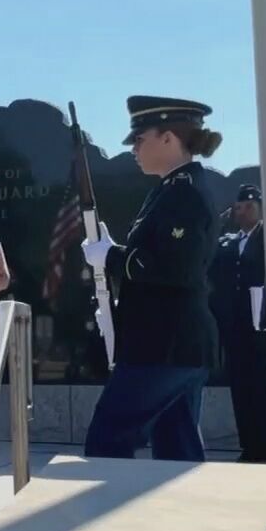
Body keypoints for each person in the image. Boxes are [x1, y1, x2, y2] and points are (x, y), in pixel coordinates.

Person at [81, 96, 221, 462]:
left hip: (164, 346)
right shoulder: (171, 189)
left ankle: (109, 521)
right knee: (177, 454)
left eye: (140, 139)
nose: (134, 149)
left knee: (107, 440)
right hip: (172, 345)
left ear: (169, 138)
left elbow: (174, 268)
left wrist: (111, 257)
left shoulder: (184, 193)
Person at [210, 185, 266, 462]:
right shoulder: (228, 243)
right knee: (241, 391)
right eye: (239, 207)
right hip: (235, 331)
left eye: (250, 206)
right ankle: (250, 445)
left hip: (261, 330)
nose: (244, 212)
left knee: (263, 390)